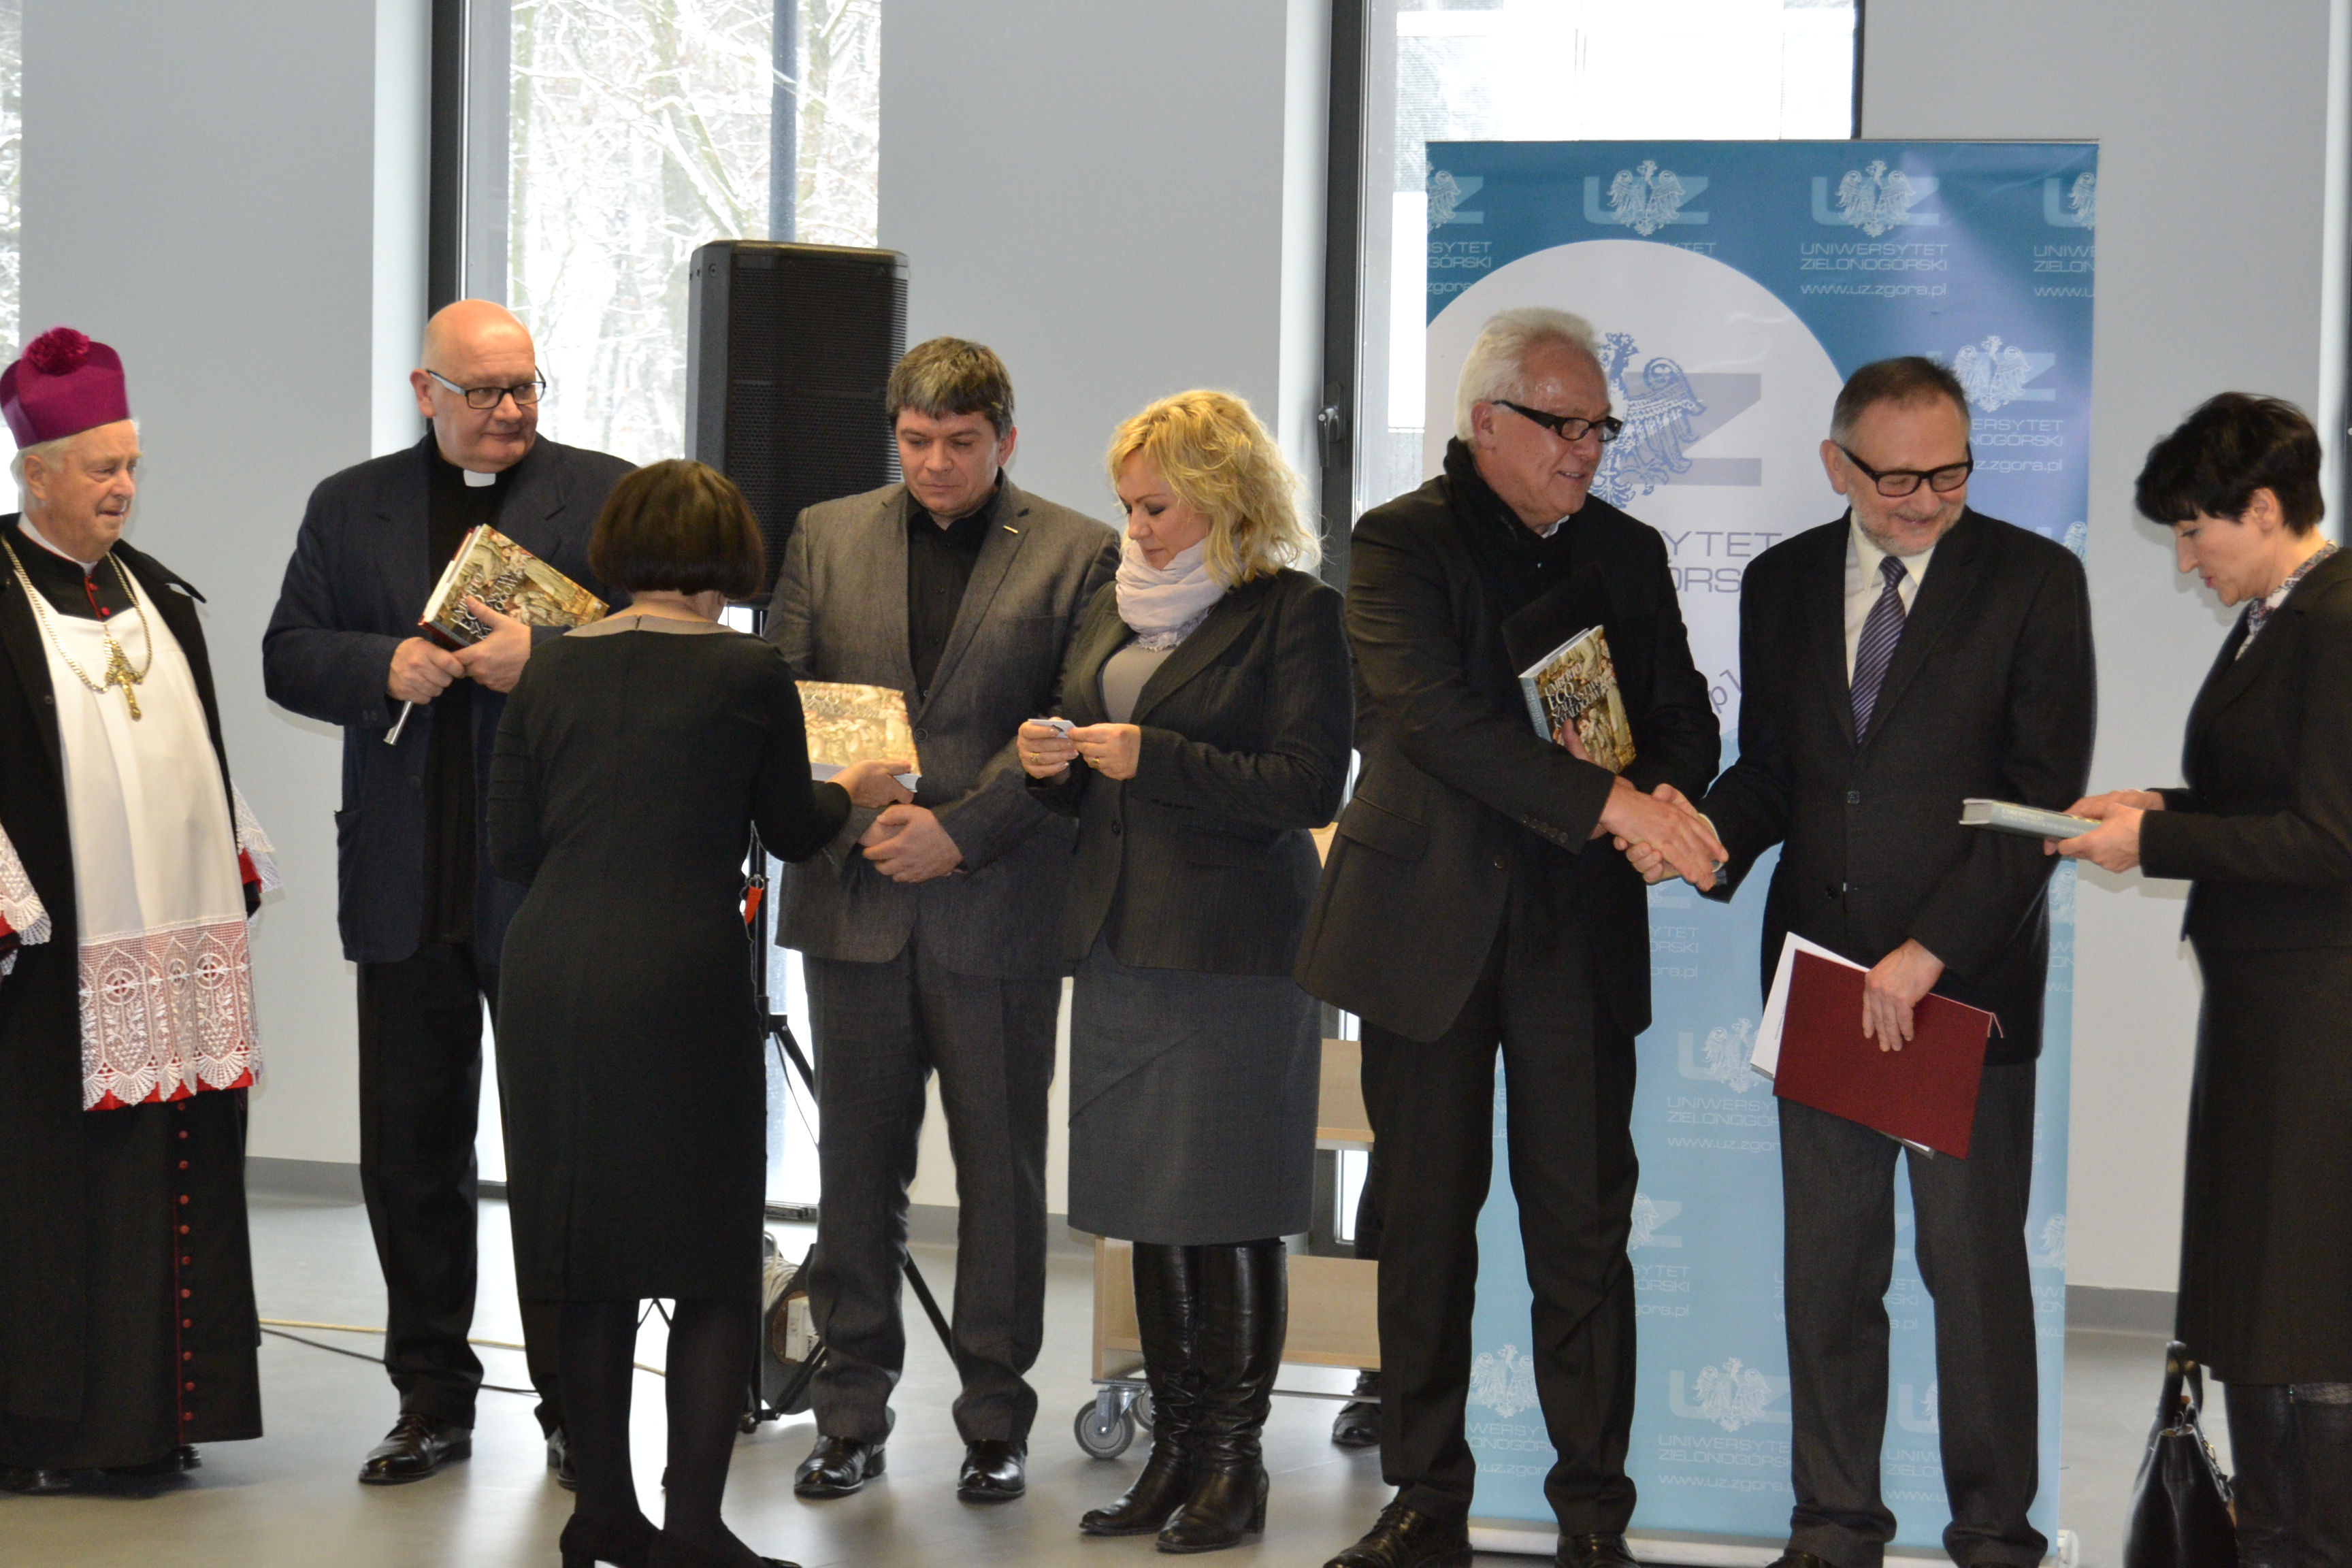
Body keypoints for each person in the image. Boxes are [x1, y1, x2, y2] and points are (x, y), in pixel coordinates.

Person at [1297, 306, 1725, 1568]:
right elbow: (1431, 720)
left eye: (1601, 428)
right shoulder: (1399, 542)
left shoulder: (1628, 553)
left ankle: (1593, 1520)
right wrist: (1613, 804)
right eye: (1562, 424)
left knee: (1583, 1235)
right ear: (1488, 423)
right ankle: (1426, 1500)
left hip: (1574, 938)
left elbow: (1685, 718)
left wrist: (1667, 801)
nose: (1587, 448)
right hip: (1425, 932)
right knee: (1425, 1229)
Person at [1656, 357, 2095, 1568]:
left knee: (1974, 1278)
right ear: (1836, 466)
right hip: (1823, 982)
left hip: (1963, 989)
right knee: (1830, 1275)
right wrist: (1703, 842)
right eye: (1898, 479)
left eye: (1951, 474)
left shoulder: (2034, 581)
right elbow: (1774, 771)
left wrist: (1931, 950)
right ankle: (1835, 1522)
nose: (1926, 501)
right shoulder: (1784, 580)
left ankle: (1995, 1533)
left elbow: (2038, 800)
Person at [489, 459, 911, 1568]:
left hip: (550, 974)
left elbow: (510, 846)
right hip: (679, 973)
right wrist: (855, 793)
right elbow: (789, 827)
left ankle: (601, 1515)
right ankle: (692, 1528)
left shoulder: (547, 666)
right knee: (710, 1261)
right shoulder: (747, 668)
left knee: (586, 1255)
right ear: (731, 557)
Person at [262, 299, 633, 1486]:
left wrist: (552, 660)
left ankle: (576, 1405)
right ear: (426, 392)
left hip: (551, 886)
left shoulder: (608, 495)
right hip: (404, 883)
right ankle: (431, 1400)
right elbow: (287, 653)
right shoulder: (350, 503)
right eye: (485, 392)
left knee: (563, 1157)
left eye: (526, 387)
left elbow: (668, 648)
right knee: (411, 1156)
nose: (511, 411)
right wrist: (382, 663)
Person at [766, 337, 1118, 1503]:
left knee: (1001, 1176)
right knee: (854, 1171)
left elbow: (1067, 726)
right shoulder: (826, 534)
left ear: (1005, 440)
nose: (935, 464)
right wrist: (852, 819)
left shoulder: (1077, 549)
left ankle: (995, 1420)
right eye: (915, 442)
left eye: (961, 444)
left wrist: (959, 833)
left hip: (999, 900)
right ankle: (848, 1413)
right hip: (856, 896)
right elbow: (781, 699)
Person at [1016, 390, 1351, 1551]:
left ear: (1224, 496)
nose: (1138, 530)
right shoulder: (1116, 604)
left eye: (1157, 507)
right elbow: (1091, 763)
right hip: (1122, 943)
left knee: (1229, 1214)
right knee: (1148, 1214)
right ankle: (1170, 1456)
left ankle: (1233, 1466)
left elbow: (1310, 785)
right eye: (1128, 507)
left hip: (1234, 955)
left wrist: (1153, 755)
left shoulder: (1294, 613)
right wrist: (1052, 761)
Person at [2053, 393, 2352, 1567]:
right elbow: (2266, 797)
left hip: (2321, 1017)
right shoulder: (2279, 618)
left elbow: (2331, 838)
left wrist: (2159, 842)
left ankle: (2311, 1539)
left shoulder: (2337, 620)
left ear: (2264, 508)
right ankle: (2273, 1531)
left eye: (2194, 530)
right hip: (2267, 1008)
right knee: (2259, 1292)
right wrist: (2156, 807)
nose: (2184, 561)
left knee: (2304, 1300)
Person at [0, 327, 272, 1489]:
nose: (123, 486)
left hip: (169, 945)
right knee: (52, 1190)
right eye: (101, 467)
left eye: (131, 465)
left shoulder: (157, 590)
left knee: (171, 1170)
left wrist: (230, 851)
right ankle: (48, 1429)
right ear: (36, 473)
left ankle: (156, 1418)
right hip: (46, 959)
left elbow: (194, 749)